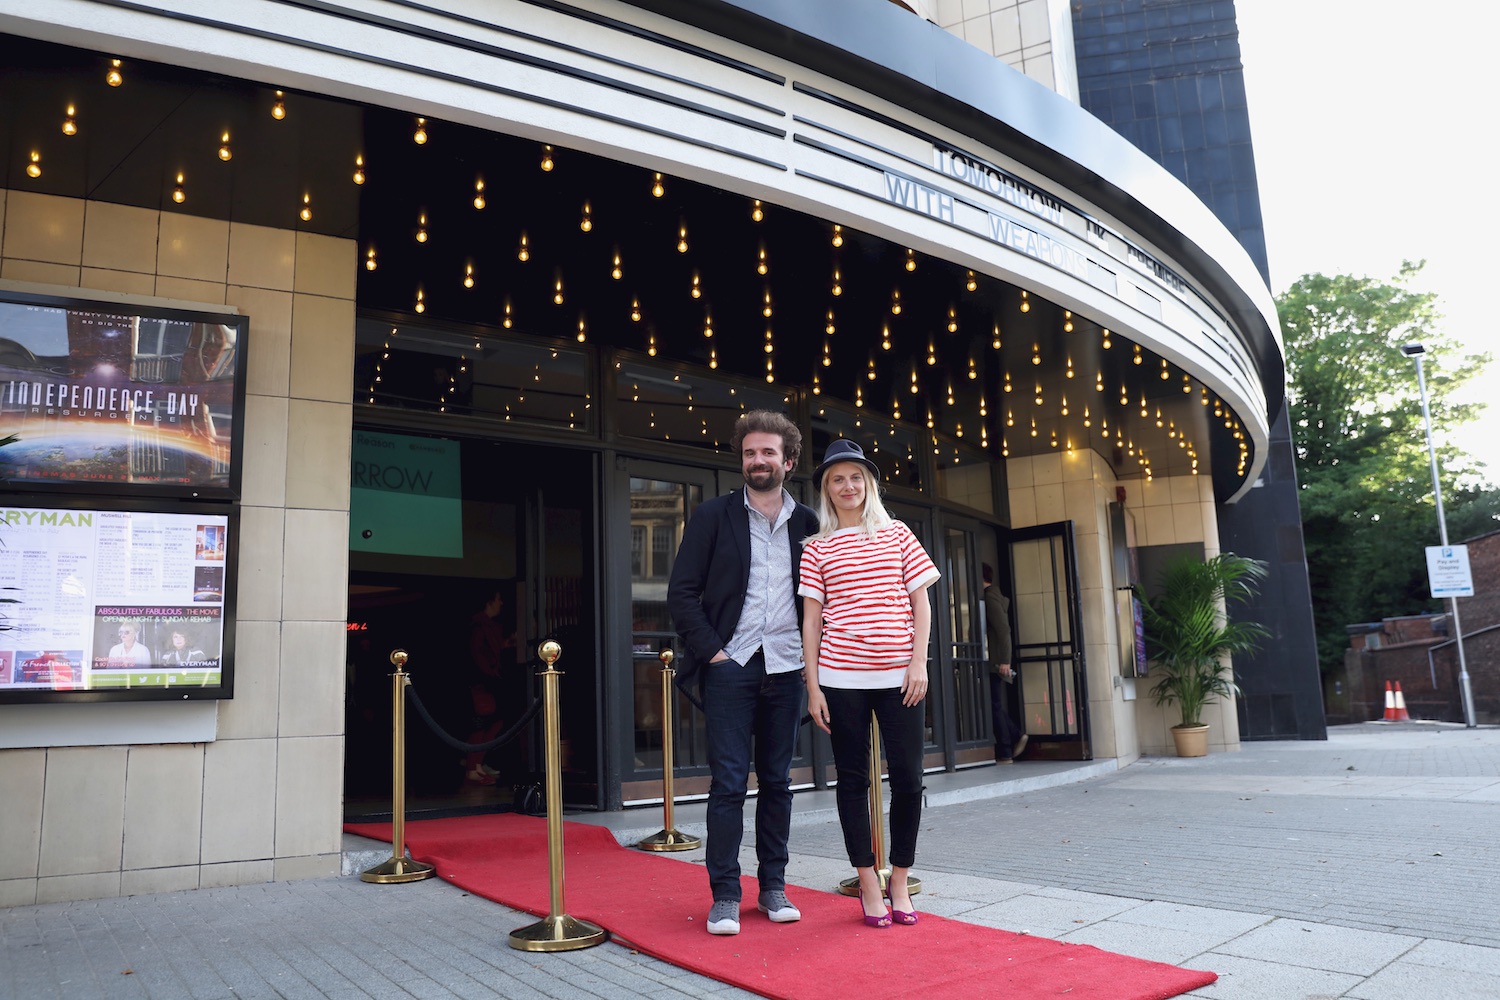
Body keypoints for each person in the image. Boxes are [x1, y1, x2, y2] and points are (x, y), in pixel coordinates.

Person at [667, 410, 818, 936]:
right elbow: (682, 593)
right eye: (750, 452)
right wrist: (713, 653)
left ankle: (773, 886)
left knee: (777, 781)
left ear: (788, 461)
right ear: (742, 459)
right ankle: (725, 895)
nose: (758, 460)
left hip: (787, 666)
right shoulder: (713, 516)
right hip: (730, 665)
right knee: (729, 783)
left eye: (768, 452)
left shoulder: (810, 524)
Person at [800, 439, 939, 929]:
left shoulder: (899, 534)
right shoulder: (815, 547)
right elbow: (812, 623)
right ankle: (865, 879)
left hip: (901, 675)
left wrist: (918, 662)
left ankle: (898, 877)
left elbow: (921, 603)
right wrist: (813, 687)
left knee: (907, 777)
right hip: (841, 679)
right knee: (853, 781)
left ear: (869, 484)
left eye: (855, 477)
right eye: (837, 479)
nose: (848, 486)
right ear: (827, 489)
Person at [465, 589, 513, 785]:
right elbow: (478, 655)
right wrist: (491, 675)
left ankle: (476, 764)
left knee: (493, 722)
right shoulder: (478, 626)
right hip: (482, 682)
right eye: (498, 599)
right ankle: (472, 766)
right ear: (489, 602)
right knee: (482, 723)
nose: (501, 604)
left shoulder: (488, 626)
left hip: (489, 680)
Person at [983, 563, 1028, 763]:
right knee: (994, 704)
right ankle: (1013, 739)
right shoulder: (993, 596)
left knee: (993, 705)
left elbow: (1003, 631)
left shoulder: (990, 598)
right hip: (993, 661)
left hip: (994, 662)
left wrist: (1004, 661)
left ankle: (1005, 750)